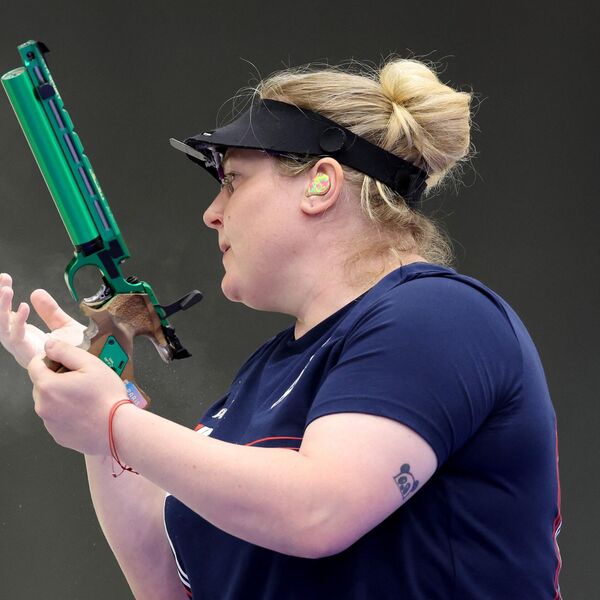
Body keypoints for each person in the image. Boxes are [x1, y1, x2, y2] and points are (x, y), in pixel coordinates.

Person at [0, 57, 562, 599]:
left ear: (320, 184)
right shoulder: (268, 372)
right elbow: (165, 586)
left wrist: (114, 421)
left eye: (233, 180)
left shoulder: (439, 314)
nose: (212, 212)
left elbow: (319, 510)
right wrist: (98, 413)